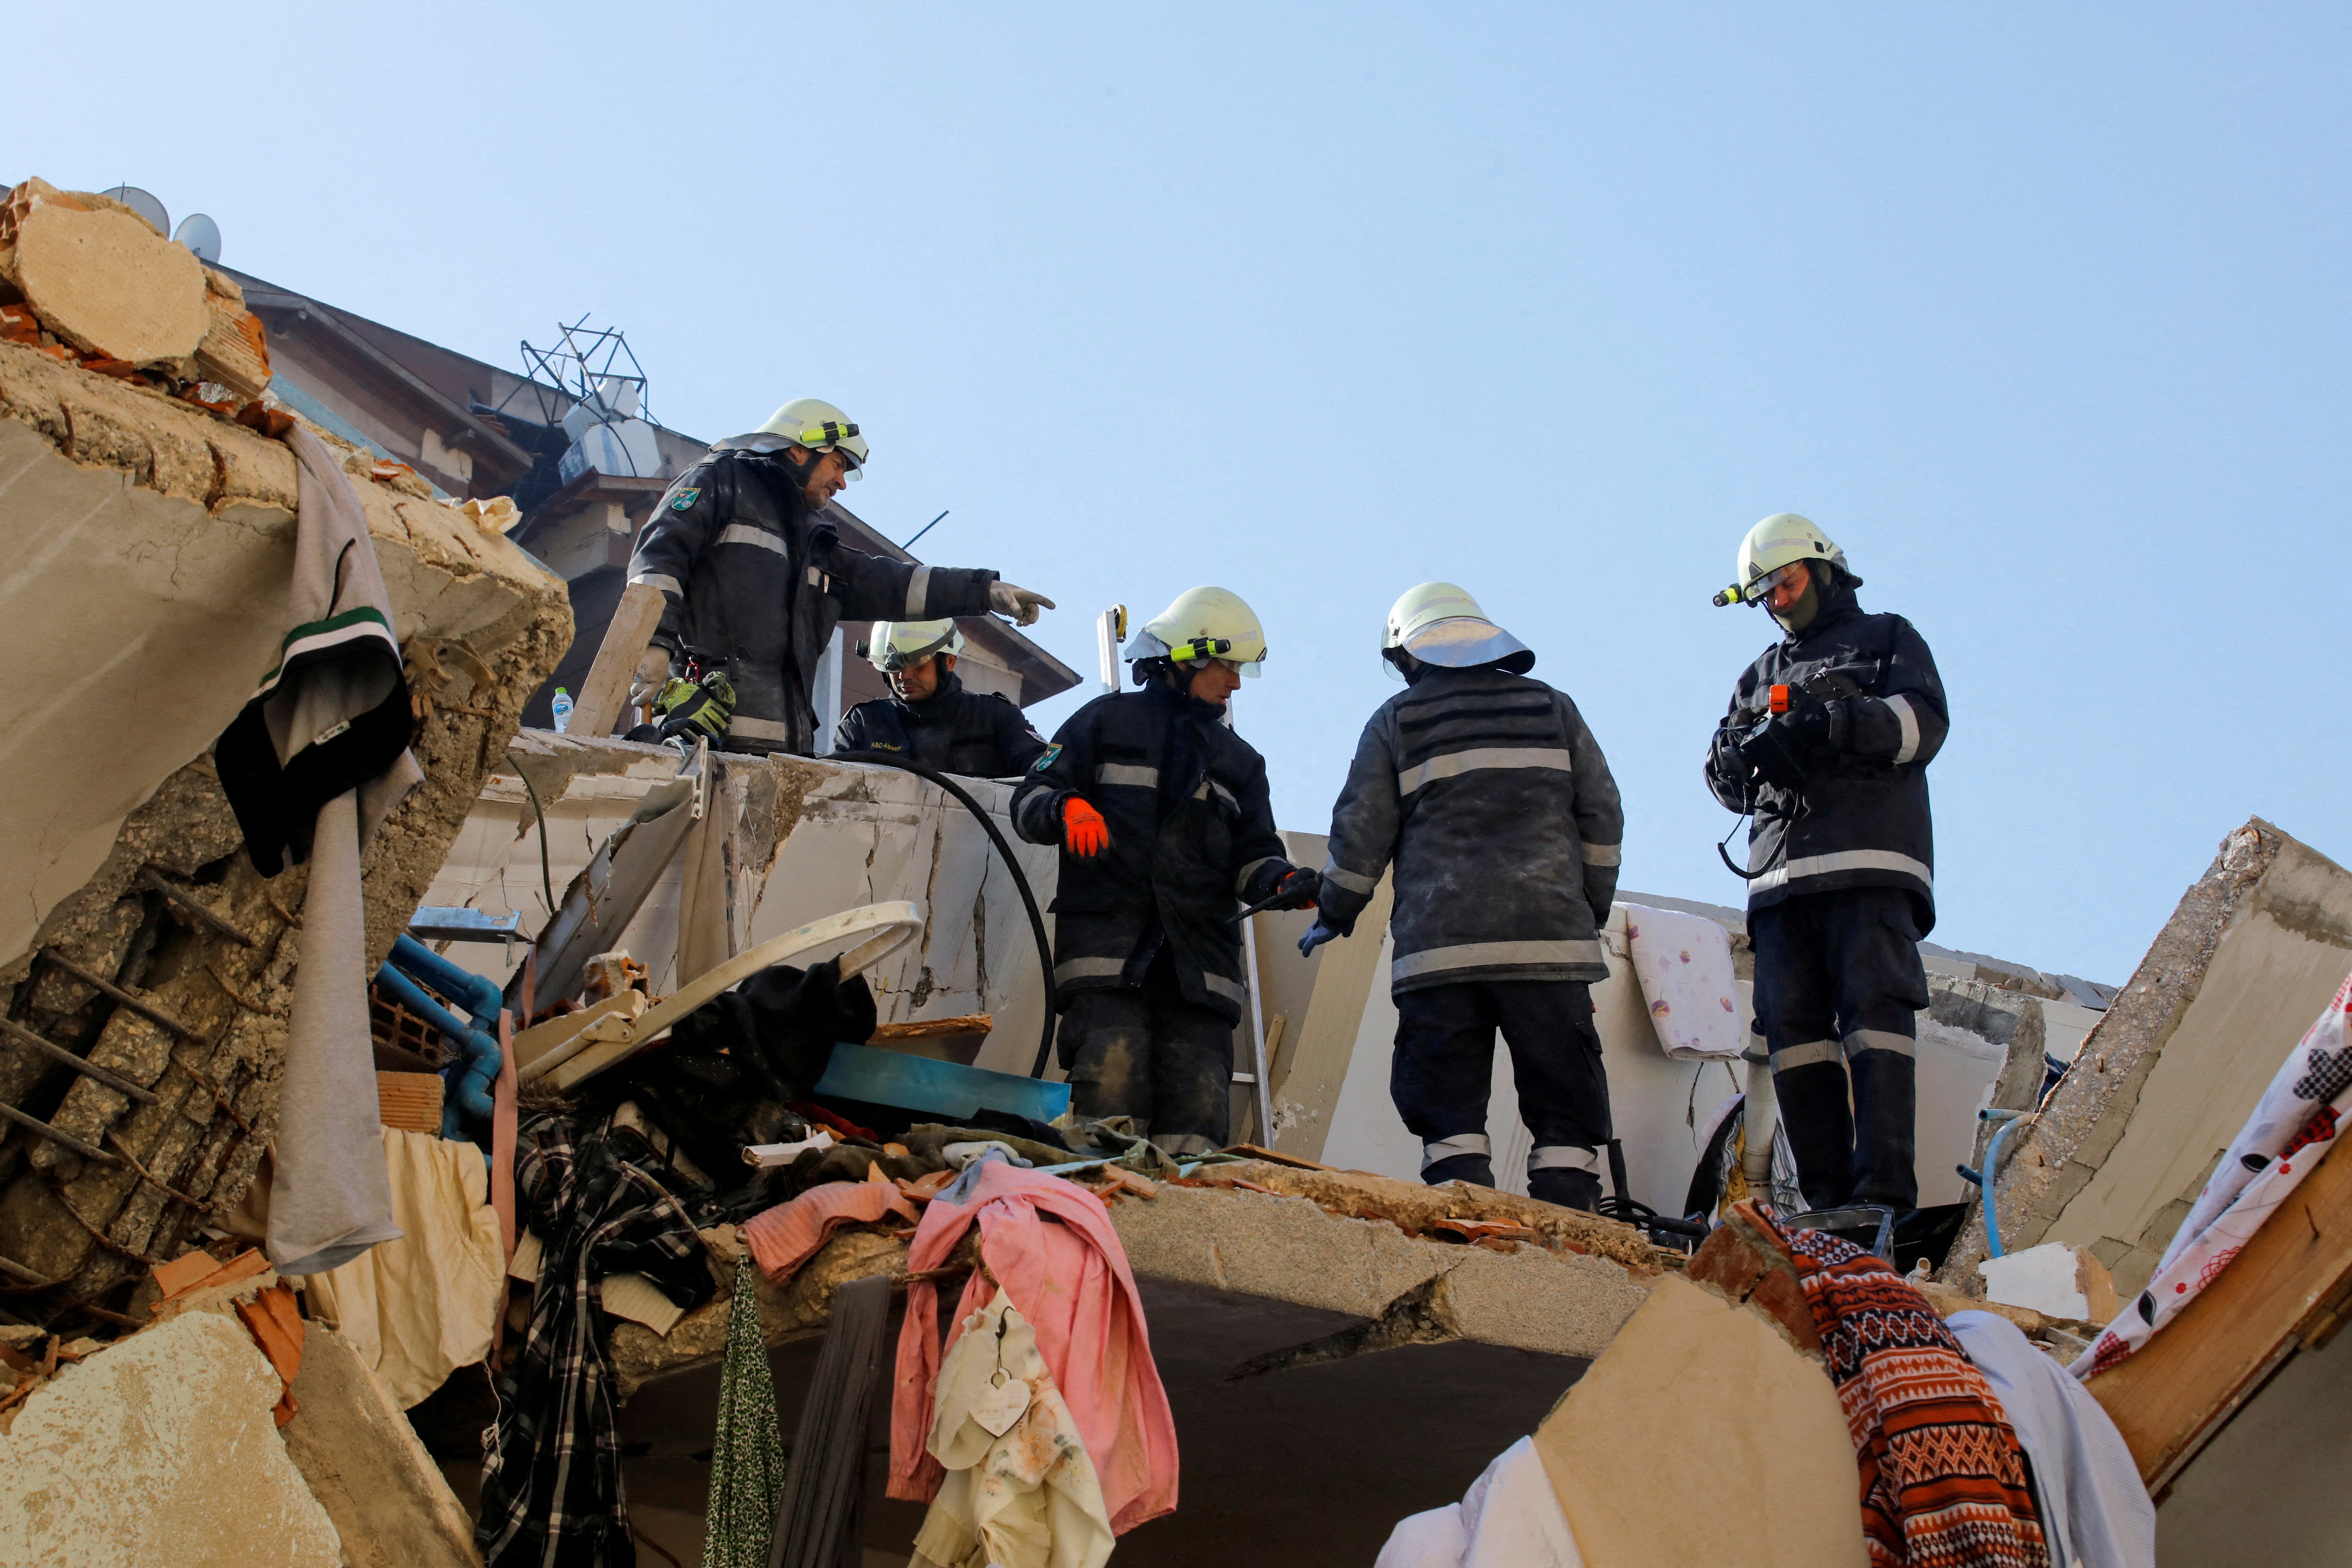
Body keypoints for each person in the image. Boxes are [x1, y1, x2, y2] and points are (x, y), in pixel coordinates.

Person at [1302, 583, 1624, 1211]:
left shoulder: (1397, 720)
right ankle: (1570, 1222)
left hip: (1439, 954)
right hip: (1548, 944)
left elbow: (1362, 831)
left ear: (1410, 653)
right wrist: (1584, 911)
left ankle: (1465, 1219)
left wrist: (1335, 911)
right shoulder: (1552, 708)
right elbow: (1602, 818)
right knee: (1563, 1093)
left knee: (1446, 1102)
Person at [1010, 587, 1319, 1156]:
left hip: (1199, 975)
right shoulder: (1102, 723)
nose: (1235, 683)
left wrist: (1279, 882)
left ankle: (1179, 1240)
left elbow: (1254, 853)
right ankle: (1106, 1234)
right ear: (1187, 656)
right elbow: (1033, 796)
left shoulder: (1240, 763)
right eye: (1228, 665)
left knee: (1196, 1128)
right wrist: (1066, 806)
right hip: (1108, 959)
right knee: (1108, 1111)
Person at [1703, 513, 1948, 1214]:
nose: (1779, 601)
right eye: (1766, 595)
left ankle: (1882, 1196)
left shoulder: (1887, 639)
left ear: (1824, 569)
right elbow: (1722, 778)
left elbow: (1920, 724)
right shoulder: (1758, 674)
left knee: (1875, 1016)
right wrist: (1736, 759)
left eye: (1788, 583)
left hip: (1869, 866)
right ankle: (1827, 1203)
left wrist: (1831, 723)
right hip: (1781, 885)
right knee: (1793, 1032)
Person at [624, 398, 1054, 754]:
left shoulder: (813, 542)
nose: (842, 483)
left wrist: (988, 592)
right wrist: (655, 645)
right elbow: (658, 561)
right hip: (701, 740)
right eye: (837, 464)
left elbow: (896, 583)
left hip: (783, 754)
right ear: (800, 449)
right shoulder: (719, 481)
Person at [830, 619, 1050, 777]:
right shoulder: (863, 723)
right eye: (893, 666)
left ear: (949, 662)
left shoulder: (993, 716)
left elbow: (1040, 765)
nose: (904, 676)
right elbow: (831, 786)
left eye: (917, 664)